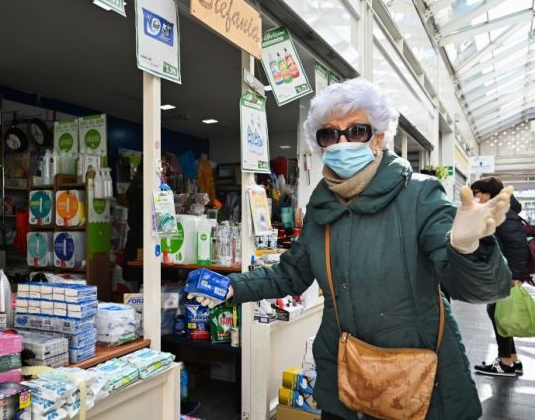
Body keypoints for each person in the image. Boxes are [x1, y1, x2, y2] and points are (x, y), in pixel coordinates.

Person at [192, 79, 512, 420]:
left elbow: (482, 289)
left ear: (378, 137)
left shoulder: (420, 196)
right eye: (329, 134)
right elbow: (291, 274)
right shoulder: (320, 206)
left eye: (356, 130)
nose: (341, 142)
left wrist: (467, 247)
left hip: (420, 384)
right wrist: (232, 286)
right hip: (343, 379)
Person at [471, 177, 529, 377]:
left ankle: (504, 362)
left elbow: (517, 245)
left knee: (497, 314)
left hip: (505, 274)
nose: (475, 197)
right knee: (501, 314)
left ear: (487, 194)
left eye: (477, 193)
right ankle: (512, 359)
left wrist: (516, 275)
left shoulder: (504, 214)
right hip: (501, 271)